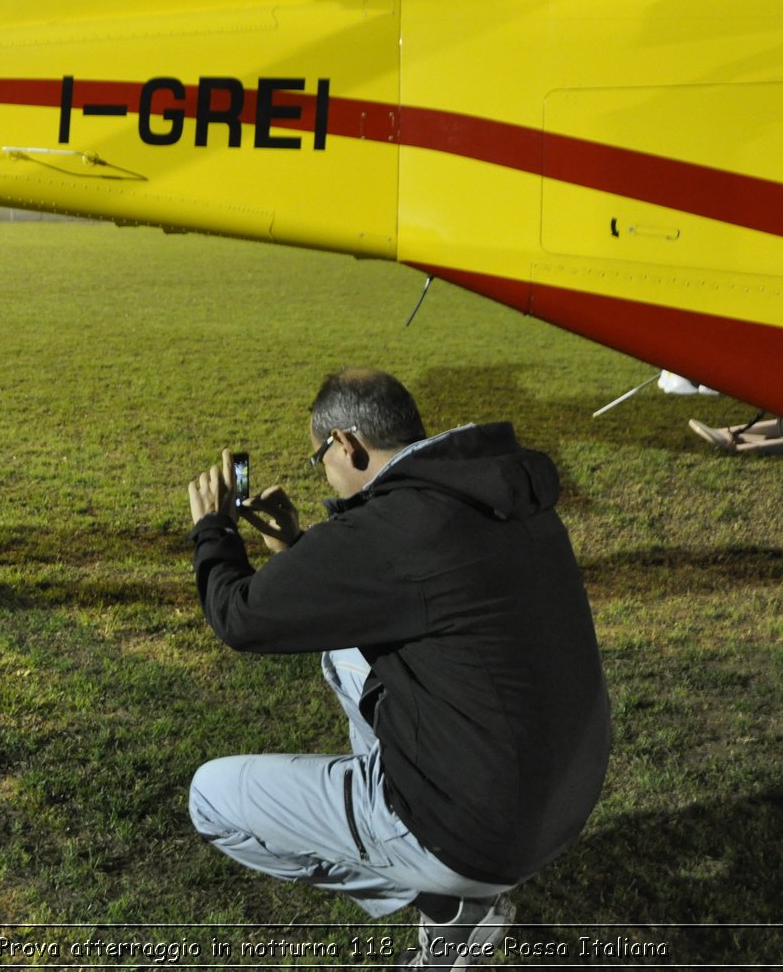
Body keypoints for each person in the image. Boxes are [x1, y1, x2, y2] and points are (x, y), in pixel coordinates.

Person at [184, 369, 610, 968]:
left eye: (319, 460)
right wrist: (294, 544)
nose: (325, 473)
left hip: (478, 833)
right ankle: (449, 882)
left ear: (346, 445)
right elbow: (385, 592)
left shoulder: (395, 530)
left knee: (211, 799)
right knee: (343, 649)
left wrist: (214, 530)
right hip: (566, 798)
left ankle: (445, 900)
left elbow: (240, 617)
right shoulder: (485, 490)